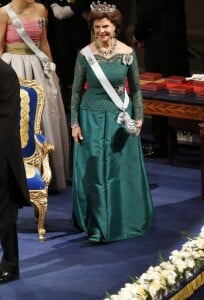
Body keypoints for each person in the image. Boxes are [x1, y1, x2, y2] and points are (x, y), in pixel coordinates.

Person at [70, 2, 154, 243]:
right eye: (97, 27)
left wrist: (139, 117)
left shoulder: (127, 53)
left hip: (120, 119)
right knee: (95, 173)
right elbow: (76, 92)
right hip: (91, 117)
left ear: (115, 26)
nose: (101, 31)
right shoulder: (85, 55)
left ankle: (121, 219)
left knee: (117, 171)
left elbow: (136, 89)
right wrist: (74, 123)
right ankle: (97, 226)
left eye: (105, 26)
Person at [0, 0, 69, 192]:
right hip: (13, 67)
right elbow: (0, 48)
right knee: (19, 118)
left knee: (46, 116)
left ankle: (46, 174)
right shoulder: (3, 13)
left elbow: (44, 43)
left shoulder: (40, 9)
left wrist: (52, 70)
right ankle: (15, 176)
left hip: (38, 67)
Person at [133, 0, 190, 157]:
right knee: (166, 92)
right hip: (172, 41)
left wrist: (138, 33)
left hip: (161, 44)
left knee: (159, 92)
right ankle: (168, 141)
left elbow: (149, 9)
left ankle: (162, 143)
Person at [0, 58, 30, 284]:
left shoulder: (5, 74)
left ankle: (10, 265)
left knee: (4, 214)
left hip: (2, 155)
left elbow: (7, 122)